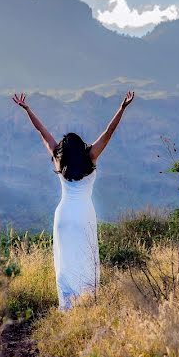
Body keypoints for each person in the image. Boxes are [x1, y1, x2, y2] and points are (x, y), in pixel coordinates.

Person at [12, 91, 135, 310]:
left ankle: (67, 307)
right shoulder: (91, 157)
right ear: (81, 147)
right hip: (84, 214)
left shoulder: (58, 159)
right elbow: (109, 132)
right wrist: (122, 107)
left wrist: (28, 109)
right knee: (86, 259)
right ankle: (87, 303)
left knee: (66, 262)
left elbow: (41, 131)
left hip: (63, 216)